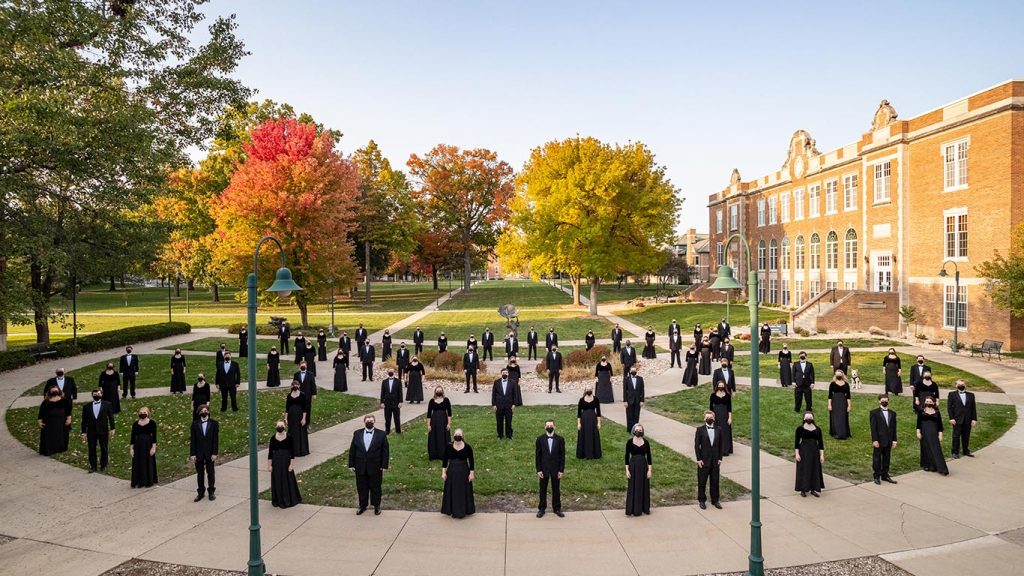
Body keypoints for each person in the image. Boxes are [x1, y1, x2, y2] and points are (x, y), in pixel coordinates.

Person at [348, 414, 389, 515]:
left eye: (371, 420)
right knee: (361, 487)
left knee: (376, 487)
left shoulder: (381, 434)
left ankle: (376, 506)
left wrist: (384, 465)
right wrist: (351, 464)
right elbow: (352, 450)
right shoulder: (357, 433)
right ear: (364, 422)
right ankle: (362, 505)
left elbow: (385, 451)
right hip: (360, 466)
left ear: (374, 422)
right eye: (367, 420)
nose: (369, 422)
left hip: (375, 466)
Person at [441, 428, 476, 518]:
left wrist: (471, 473)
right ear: (453, 436)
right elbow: (445, 461)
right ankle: (451, 509)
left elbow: (471, 461)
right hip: (452, 472)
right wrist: (443, 473)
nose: (458, 436)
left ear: (462, 436)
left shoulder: (468, 447)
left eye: (459, 435)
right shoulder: (448, 447)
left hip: (464, 472)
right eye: (456, 434)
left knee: (462, 491)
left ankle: (464, 510)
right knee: (452, 491)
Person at [535, 420, 566, 518]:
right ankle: (541, 508)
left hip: (556, 469)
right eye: (548, 425)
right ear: (545, 427)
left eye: (551, 425)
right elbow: (538, 456)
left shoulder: (560, 439)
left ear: (554, 427)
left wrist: (561, 470)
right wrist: (538, 469)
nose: (549, 427)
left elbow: (562, 456)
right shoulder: (540, 439)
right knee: (542, 489)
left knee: (556, 489)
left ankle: (557, 508)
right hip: (543, 469)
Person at [268, 420, 302, 508]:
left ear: (285, 426)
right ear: (276, 426)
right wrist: (269, 465)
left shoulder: (289, 437)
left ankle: (288, 499)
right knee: (277, 480)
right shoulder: (272, 438)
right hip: (276, 462)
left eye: (281, 425)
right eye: (278, 425)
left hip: (286, 461)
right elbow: (270, 453)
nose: (280, 427)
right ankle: (278, 500)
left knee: (286, 480)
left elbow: (292, 452)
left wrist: (291, 464)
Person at [694, 410, 723, 510]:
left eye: (711, 417)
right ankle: (702, 500)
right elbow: (697, 446)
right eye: (707, 417)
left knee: (715, 481)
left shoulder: (719, 429)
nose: (709, 419)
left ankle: (715, 500)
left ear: (714, 418)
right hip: (704, 460)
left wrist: (720, 458)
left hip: (715, 460)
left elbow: (721, 445)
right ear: (704, 418)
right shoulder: (700, 430)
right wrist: (698, 459)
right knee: (702, 481)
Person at [81, 388, 115, 472]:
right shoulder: (87, 407)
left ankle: (104, 464)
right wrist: (83, 432)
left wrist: (112, 428)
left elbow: (111, 417)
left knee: (104, 448)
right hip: (91, 431)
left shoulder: (107, 404)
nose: (97, 396)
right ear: (92, 395)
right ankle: (93, 466)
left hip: (103, 430)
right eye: (95, 394)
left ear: (102, 395)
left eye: (99, 394)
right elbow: (84, 420)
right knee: (91, 449)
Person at [189, 404, 219, 501]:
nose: (204, 412)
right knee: (200, 474)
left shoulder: (214, 423)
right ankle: (200, 492)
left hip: (210, 452)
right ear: (199, 413)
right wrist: (192, 454)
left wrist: (215, 453)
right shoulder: (195, 424)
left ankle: (211, 492)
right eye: (202, 411)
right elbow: (193, 440)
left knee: (210, 473)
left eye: (206, 410)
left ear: (208, 412)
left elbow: (215, 439)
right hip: (199, 453)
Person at [869, 394, 898, 485]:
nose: (884, 401)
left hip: (889, 440)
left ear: (888, 401)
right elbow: (873, 428)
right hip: (879, 440)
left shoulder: (893, 413)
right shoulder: (874, 413)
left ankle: (885, 475)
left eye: (886, 400)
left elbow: (894, 428)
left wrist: (894, 440)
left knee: (887, 459)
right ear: (879, 401)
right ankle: (876, 476)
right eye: (882, 400)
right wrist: (875, 440)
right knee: (877, 459)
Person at [624, 423, 652, 516]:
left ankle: (644, 508)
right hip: (633, 466)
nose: (639, 431)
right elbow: (626, 457)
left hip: (644, 467)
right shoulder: (629, 442)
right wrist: (627, 470)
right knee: (633, 487)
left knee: (644, 486)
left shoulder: (646, 442)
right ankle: (633, 509)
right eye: (637, 430)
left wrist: (649, 470)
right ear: (633, 430)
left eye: (640, 430)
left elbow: (649, 458)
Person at [795, 412, 825, 497]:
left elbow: (821, 443)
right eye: (807, 417)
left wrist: (822, 455)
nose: (809, 419)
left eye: (810, 417)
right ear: (804, 418)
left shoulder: (818, 429)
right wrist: (797, 454)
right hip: (804, 451)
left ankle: (813, 488)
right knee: (804, 469)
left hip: (814, 452)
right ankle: (803, 489)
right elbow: (796, 443)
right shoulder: (800, 429)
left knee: (814, 469)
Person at [917, 397, 949, 475]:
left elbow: (940, 425)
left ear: (933, 403)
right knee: (925, 448)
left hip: (934, 432)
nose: (928, 402)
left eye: (930, 401)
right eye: (926, 401)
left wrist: (940, 435)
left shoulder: (937, 412)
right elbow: (918, 423)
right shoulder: (921, 411)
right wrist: (918, 433)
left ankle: (941, 468)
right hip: (924, 432)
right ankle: (927, 465)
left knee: (936, 449)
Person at [947, 379, 977, 458]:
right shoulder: (952, 394)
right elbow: (949, 407)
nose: (961, 386)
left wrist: (974, 419)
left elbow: (973, 408)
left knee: (966, 436)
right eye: (959, 384)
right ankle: (955, 452)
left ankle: (966, 451)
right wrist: (951, 418)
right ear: (956, 385)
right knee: (956, 436)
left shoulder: (971, 395)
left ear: (965, 385)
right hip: (957, 419)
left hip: (968, 419)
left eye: (962, 384)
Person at [45, 367, 76, 446]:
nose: (60, 372)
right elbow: (46, 391)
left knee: (68, 412)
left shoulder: (70, 379)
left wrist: (74, 398)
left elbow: (74, 389)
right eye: (58, 371)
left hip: (68, 400)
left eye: (61, 371)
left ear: (64, 372)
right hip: (56, 400)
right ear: (56, 373)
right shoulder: (51, 381)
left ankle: (68, 426)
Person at [129, 407, 158, 488]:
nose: (142, 414)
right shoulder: (135, 424)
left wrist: (153, 448)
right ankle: (139, 481)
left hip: (148, 445)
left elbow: (154, 437)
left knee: (147, 462)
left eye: (144, 412)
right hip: (138, 446)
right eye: (141, 412)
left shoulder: (152, 423)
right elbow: (132, 438)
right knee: (138, 462)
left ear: (148, 413)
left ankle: (148, 480)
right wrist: (131, 449)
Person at [491, 368, 522, 439]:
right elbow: (493, 394)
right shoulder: (496, 382)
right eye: (503, 373)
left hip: (509, 405)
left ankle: (509, 435)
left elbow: (515, 394)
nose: (504, 374)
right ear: (501, 374)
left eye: (506, 373)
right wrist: (494, 404)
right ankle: (500, 435)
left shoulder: (512, 382)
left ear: (508, 374)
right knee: (499, 421)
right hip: (499, 405)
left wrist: (514, 404)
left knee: (508, 421)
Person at [38, 387, 70, 455]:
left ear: (59, 391)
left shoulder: (64, 400)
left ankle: (60, 448)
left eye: (56, 390)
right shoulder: (46, 402)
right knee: (49, 436)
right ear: (50, 392)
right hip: (49, 422)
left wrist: (69, 419)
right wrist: (39, 421)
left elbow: (68, 411)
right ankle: (50, 449)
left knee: (60, 435)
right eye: (53, 390)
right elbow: (41, 413)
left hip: (61, 422)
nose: (54, 391)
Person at [285, 381, 310, 457]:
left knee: (300, 433)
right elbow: (287, 408)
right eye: (293, 385)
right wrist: (285, 418)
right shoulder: (289, 395)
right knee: (292, 432)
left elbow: (305, 408)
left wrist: (304, 419)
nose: (295, 386)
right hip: (291, 417)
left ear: (299, 386)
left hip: (299, 416)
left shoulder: (302, 395)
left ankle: (301, 450)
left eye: (296, 384)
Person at [576, 387, 602, 459]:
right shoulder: (581, 400)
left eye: (590, 389)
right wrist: (579, 423)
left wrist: (599, 423)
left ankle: (594, 454)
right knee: (584, 435)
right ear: (585, 390)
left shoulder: (596, 399)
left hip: (593, 420)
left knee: (593, 435)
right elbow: (579, 414)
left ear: (592, 390)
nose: (589, 391)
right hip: (584, 420)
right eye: (587, 389)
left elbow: (598, 412)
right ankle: (583, 454)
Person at [427, 386, 452, 460]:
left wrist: (449, 423)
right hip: (434, 421)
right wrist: (428, 425)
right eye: (437, 391)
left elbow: (449, 413)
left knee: (444, 437)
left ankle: (444, 454)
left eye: (440, 390)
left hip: (444, 420)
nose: (439, 392)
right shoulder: (431, 401)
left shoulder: (446, 400)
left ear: (442, 391)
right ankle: (434, 454)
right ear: (435, 392)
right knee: (434, 437)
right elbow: (428, 414)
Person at [709, 382, 733, 456]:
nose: (721, 387)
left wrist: (730, 418)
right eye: (720, 386)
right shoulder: (713, 395)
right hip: (716, 415)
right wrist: (711, 417)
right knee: (716, 432)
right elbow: (711, 408)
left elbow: (729, 408)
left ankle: (725, 450)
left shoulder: (728, 395)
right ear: (717, 386)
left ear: (724, 386)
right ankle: (716, 450)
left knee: (725, 432)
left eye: (722, 386)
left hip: (725, 415)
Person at [827, 371, 852, 440]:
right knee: (835, 417)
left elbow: (848, 396)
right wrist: (829, 405)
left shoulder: (846, 384)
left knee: (843, 416)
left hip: (843, 402)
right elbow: (830, 396)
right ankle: (836, 432)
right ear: (835, 375)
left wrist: (849, 406)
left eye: (839, 374)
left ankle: (843, 433)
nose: (838, 375)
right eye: (837, 374)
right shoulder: (832, 384)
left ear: (842, 375)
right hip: (834, 402)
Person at [380, 369, 403, 435]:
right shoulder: (384, 381)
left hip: (396, 403)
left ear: (394, 372)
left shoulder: (398, 381)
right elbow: (382, 392)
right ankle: (387, 431)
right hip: (387, 403)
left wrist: (400, 402)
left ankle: (398, 431)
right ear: (388, 373)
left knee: (397, 418)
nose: (390, 372)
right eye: (389, 371)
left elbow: (400, 392)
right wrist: (382, 402)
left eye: (392, 371)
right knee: (387, 418)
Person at [623, 367, 645, 433]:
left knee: (636, 415)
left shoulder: (640, 379)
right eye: (632, 370)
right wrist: (625, 401)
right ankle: (629, 430)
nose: (633, 371)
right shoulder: (626, 379)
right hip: (629, 400)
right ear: (630, 371)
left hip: (637, 400)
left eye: (634, 370)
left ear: (636, 371)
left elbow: (642, 390)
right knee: (629, 415)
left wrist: (642, 400)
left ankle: (636, 429)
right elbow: (624, 390)